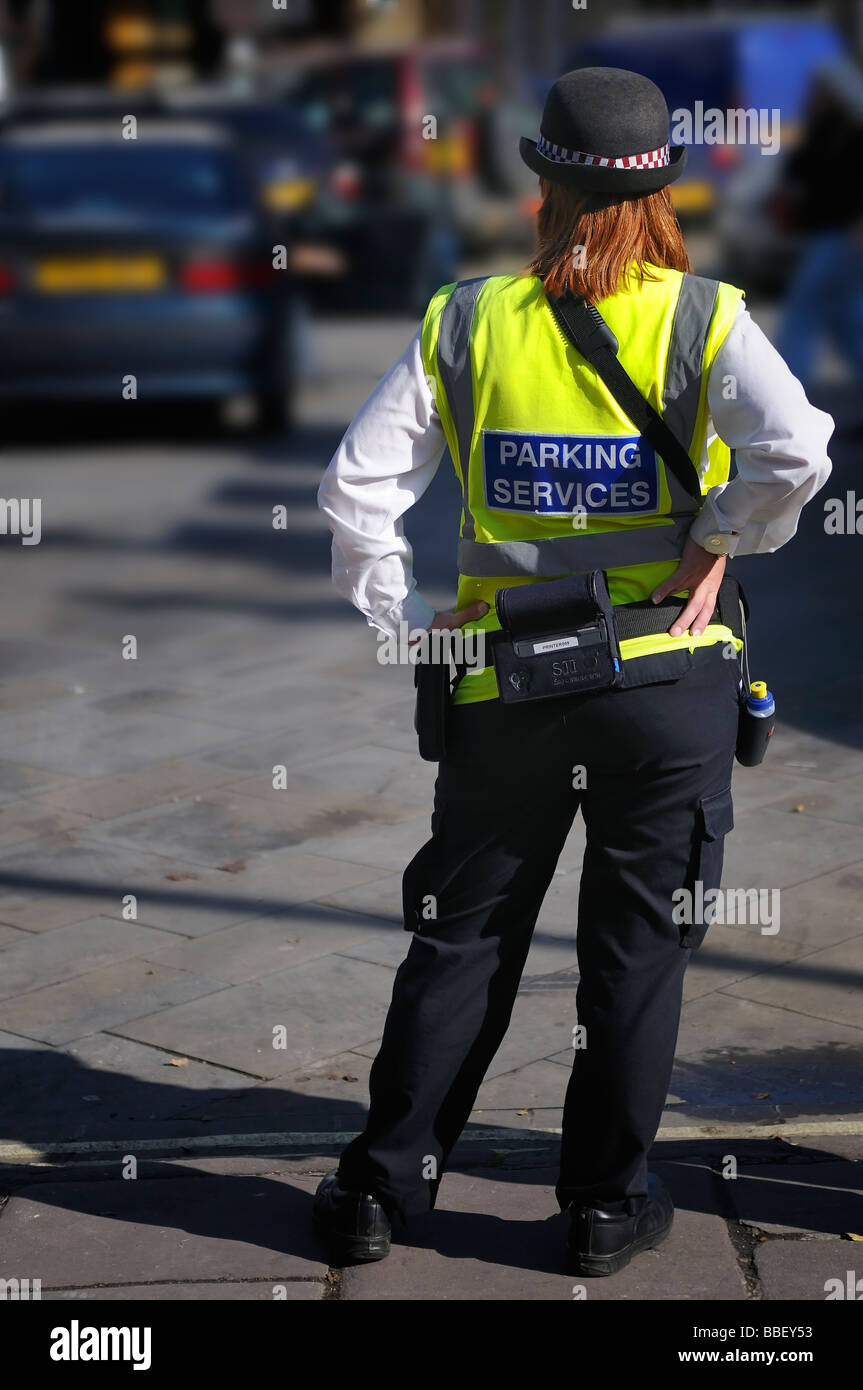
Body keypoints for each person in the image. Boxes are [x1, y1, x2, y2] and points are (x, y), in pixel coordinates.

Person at [313, 67, 833, 1277]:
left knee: (460, 940)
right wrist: (714, 540)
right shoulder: (701, 317)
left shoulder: (465, 318)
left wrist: (411, 628)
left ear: (540, 185)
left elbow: (353, 493)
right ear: (662, 191)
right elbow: (794, 451)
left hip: (505, 687)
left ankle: (377, 1192)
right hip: (664, 682)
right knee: (636, 950)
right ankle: (601, 1207)